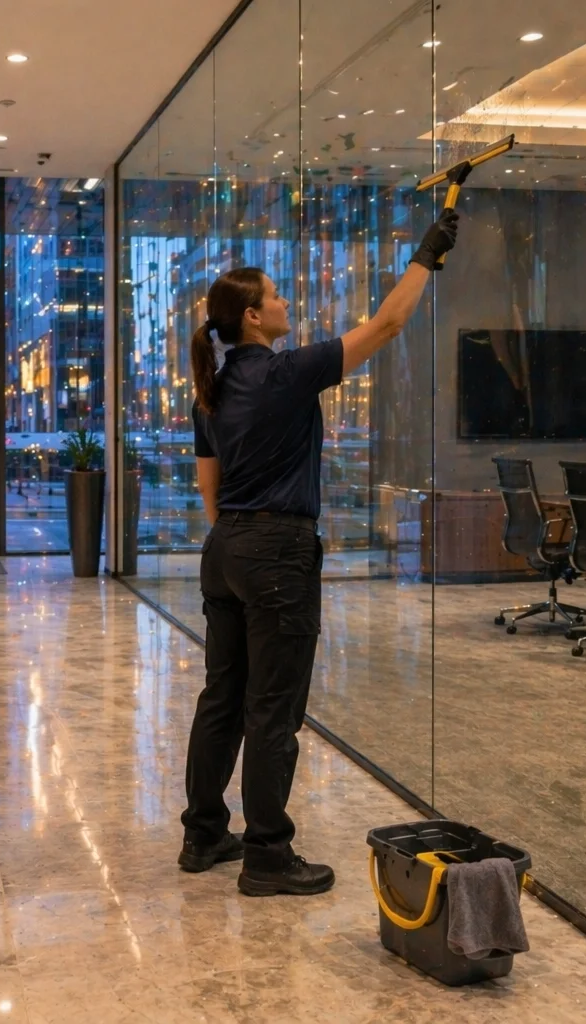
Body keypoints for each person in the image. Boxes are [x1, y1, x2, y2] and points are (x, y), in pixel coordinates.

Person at [177, 208, 461, 896]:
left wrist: (242, 539)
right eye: (274, 296)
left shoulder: (211, 393)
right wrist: (426, 254)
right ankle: (269, 856)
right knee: (273, 708)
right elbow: (388, 324)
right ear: (250, 317)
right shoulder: (286, 373)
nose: (285, 303)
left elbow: (209, 494)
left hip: (228, 552)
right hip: (275, 552)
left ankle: (205, 834)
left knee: (223, 697)